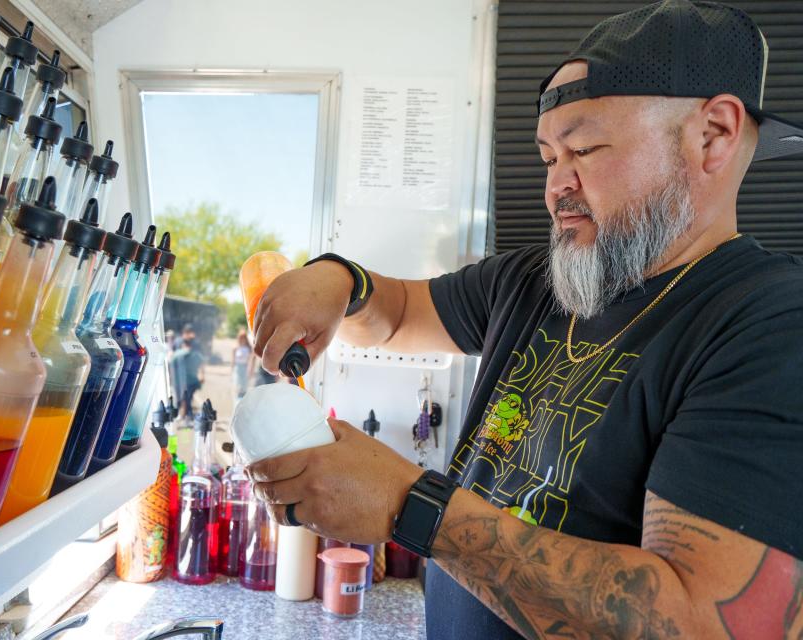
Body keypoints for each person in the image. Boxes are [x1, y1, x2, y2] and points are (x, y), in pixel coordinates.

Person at [245, 2, 803, 638]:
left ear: (713, 136)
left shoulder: (769, 328)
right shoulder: (535, 282)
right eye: (547, 158)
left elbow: (708, 623)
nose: (556, 187)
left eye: (585, 150)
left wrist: (408, 505)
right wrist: (339, 278)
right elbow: (393, 316)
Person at [170, 325, 205, 417]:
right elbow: (172, 354)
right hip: (180, 375)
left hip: (186, 376)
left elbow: (199, 359)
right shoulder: (178, 342)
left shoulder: (194, 343)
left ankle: (185, 414)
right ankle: (182, 414)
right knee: (182, 396)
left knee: (185, 396)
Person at [232, 329, 254, 400]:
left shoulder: (248, 348)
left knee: (244, 386)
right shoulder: (236, 348)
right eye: (241, 338)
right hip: (238, 368)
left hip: (245, 367)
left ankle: (243, 399)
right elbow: (233, 360)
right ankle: (237, 399)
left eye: (243, 338)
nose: (242, 339)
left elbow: (251, 360)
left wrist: (250, 370)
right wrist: (232, 369)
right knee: (238, 385)